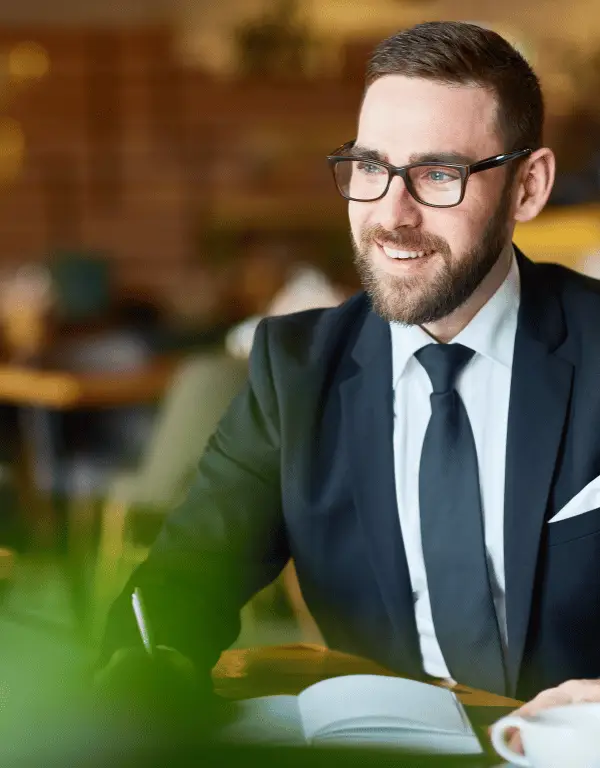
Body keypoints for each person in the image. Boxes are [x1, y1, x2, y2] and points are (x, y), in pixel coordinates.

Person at [99, 21, 600, 714]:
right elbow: (182, 581)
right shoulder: (295, 371)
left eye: (438, 174)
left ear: (528, 187)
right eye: (370, 167)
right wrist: (148, 664)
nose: (391, 214)